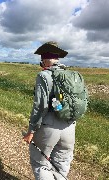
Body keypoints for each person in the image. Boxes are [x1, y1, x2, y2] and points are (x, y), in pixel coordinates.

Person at [23, 41, 76, 180]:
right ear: (57, 58)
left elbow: (40, 106)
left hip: (49, 127)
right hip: (70, 127)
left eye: (41, 60)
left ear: (45, 59)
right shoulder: (71, 75)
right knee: (61, 165)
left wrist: (31, 130)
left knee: (41, 164)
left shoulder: (44, 75)